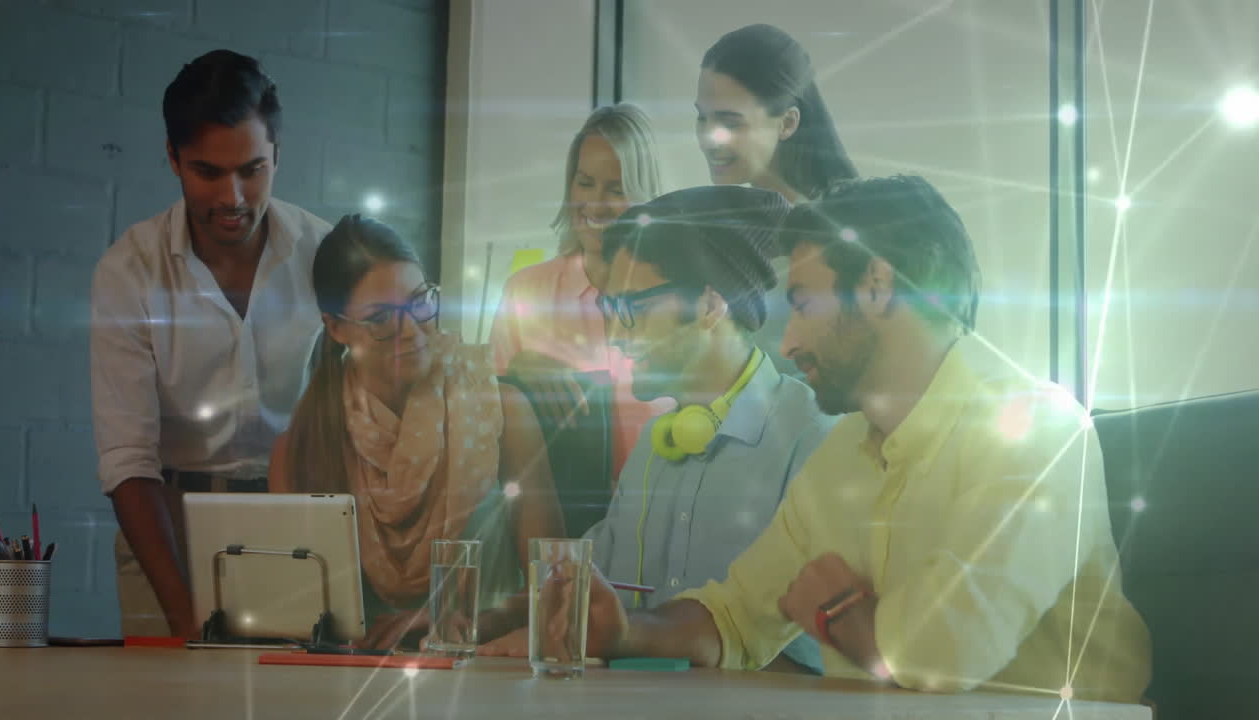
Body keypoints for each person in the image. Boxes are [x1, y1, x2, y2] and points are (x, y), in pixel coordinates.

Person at [571, 176, 1152, 702]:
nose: (789, 341)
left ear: (875, 285)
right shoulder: (843, 457)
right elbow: (733, 617)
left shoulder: (1038, 429)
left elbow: (946, 653)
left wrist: (838, 611)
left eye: (803, 304)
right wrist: (627, 630)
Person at [481, 185, 836, 674]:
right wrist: (478, 621)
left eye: (635, 309)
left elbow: (814, 651)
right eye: (612, 312)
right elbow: (591, 581)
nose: (618, 335)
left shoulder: (813, 437)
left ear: (711, 305)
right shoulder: (656, 445)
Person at [91, 50, 331, 638]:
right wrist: (182, 614)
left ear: (278, 153)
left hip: (297, 530)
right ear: (172, 158)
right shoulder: (128, 271)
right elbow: (128, 461)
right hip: (165, 533)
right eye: (207, 171)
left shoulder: (325, 255)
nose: (234, 197)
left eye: (253, 169)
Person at [268, 214, 565, 650]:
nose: (411, 331)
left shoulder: (500, 412)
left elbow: (557, 586)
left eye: (420, 302)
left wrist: (461, 621)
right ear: (335, 328)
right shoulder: (303, 445)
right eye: (382, 318)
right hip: (354, 687)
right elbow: (295, 611)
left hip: (488, 667)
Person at [488, 104, 674, 487]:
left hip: (658, 513)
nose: (595, 204)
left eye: (617, 189)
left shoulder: (676, 297)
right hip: (555, 520)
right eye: (585, 183)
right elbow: (487, 429)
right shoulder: (525, 293)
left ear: (645, 196)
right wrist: (517, 377)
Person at [696, 23, 860, 377]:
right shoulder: (722, 228)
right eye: (702, 118)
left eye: (729, 122)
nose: (710, 139)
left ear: (787, 123)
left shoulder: (832, 239)